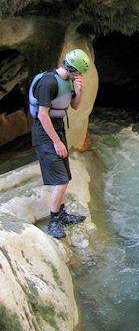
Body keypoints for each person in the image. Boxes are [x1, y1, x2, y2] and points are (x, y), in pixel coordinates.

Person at [29, 49, 90, 238]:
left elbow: (75, 106)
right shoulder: (48, 83)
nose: (79, 76)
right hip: (45, 132)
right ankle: (54, 221)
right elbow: (42, 114)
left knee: (65, 177)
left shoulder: (69, 81)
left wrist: (80, 90)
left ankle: (62, 214)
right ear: (73, 69)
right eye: (79, 73)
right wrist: (56, 142)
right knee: (61, 181)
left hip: (58, 128)